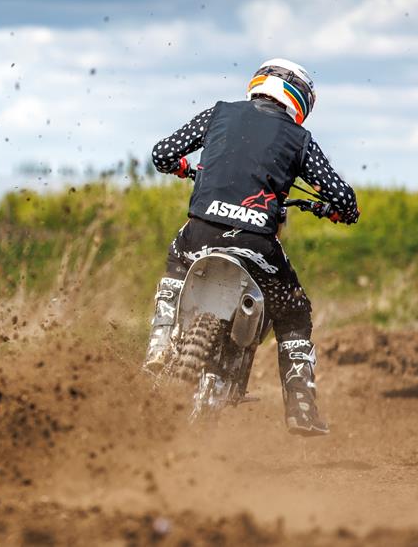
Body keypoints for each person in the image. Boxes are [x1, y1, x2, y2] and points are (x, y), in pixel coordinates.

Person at [144, 58, 359, 436]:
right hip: (257, 246)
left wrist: (184, 168)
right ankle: (301, 407)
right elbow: (343, 197)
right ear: (301, 101)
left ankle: (159, 346)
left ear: (257, 84)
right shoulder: (298, 138)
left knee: (177, 261)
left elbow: (162, 153)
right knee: (294, 311)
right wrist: (335, 212)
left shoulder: (218, 113)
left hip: (201, 232)